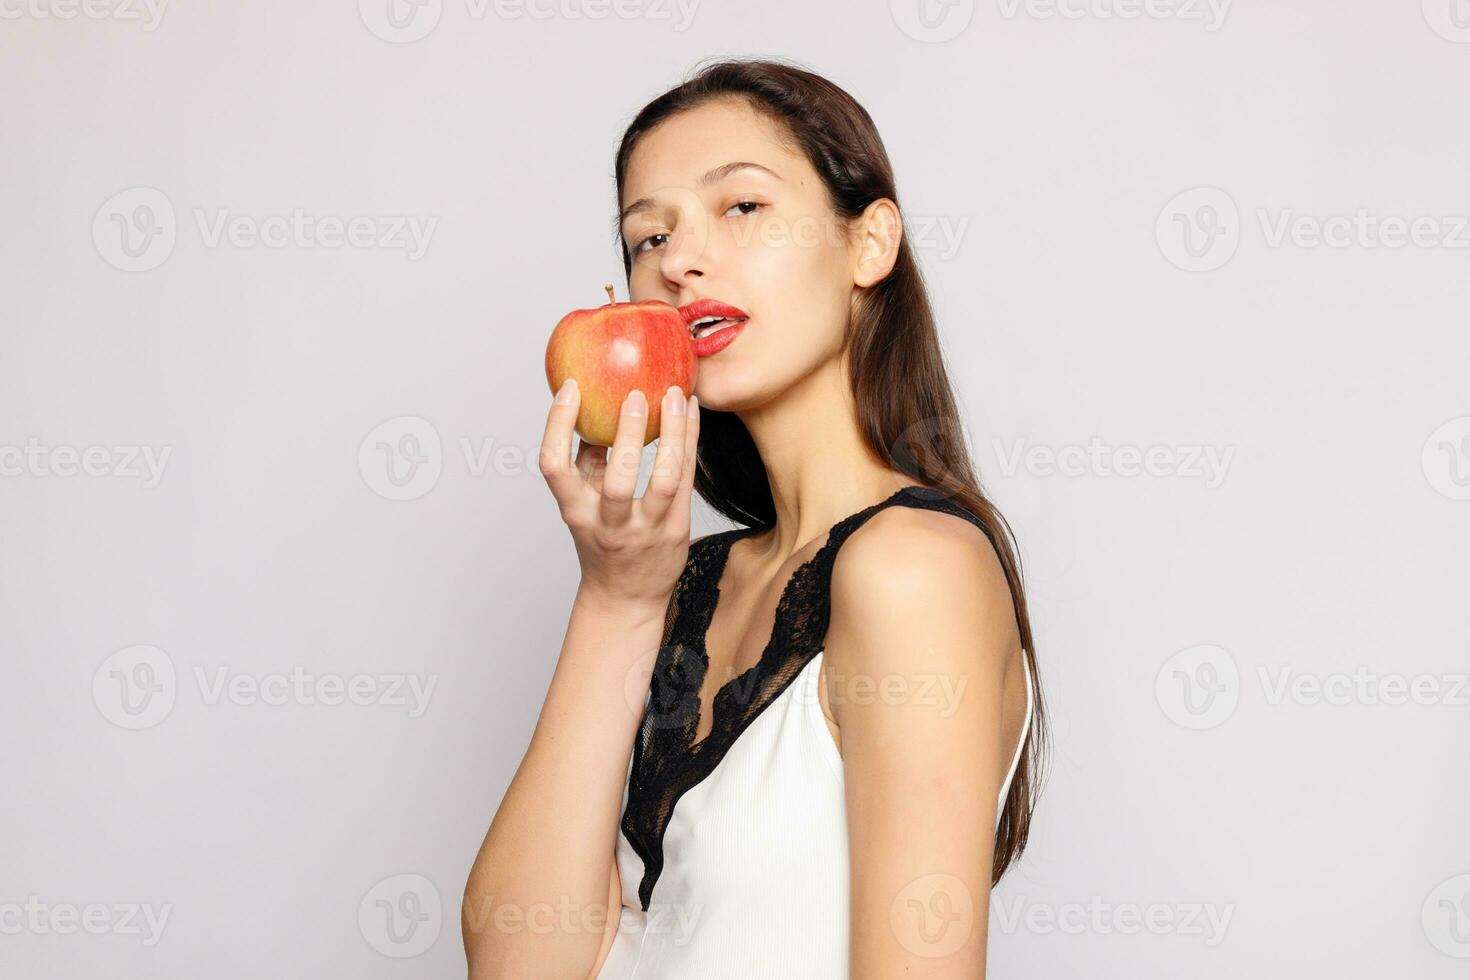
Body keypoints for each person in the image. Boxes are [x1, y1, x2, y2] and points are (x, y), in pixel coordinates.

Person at [464, 57, 1047, 980]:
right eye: (646, 236)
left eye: (742, 207)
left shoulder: (913, 567)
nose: (678, 260)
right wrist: (615, 600)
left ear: (869, 244)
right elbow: (517, 963)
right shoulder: (692, 580)